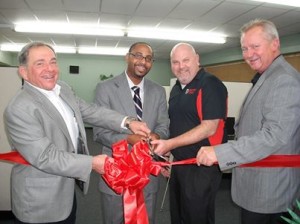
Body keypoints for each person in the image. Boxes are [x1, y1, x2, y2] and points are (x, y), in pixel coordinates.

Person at [4, 41, 150, 224]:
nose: (49, 69)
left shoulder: (62, 88)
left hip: (66, 188)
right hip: (40, 200)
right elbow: (46, 156)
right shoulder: (20, 108)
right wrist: (92, 163)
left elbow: (90, 111)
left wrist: (127, 122)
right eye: (40, 63)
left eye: (53, 61)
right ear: (23, 72)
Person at [196, 19, 300, 224]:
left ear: (275, 44)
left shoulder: (283, 80)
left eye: (255, 46)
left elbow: (274, 136)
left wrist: (221, 151)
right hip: (258, 186)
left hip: (270, 192)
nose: (249, 54)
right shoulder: (267, 76)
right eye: (245, 48)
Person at [93, 42, 170, 224]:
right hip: (117, 175)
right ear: (127, 57)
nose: (143, 61)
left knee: (145, 220)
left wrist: (156, 136)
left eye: (148, 58)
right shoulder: (105, 88)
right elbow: (99, 132)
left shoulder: (158, 91)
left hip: (147, 175)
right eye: (138, 55)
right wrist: (128, 138)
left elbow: (164, 124)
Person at [152, 42, 228, 224]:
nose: (181, 66)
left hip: (201, 167)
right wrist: (170, 155)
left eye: (186, 60)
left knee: (197, 218)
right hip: (179, 165)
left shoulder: (210, 84)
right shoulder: (177, 89)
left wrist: (170, 144)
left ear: (197, 59)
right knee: (178, 216)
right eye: (175, 62)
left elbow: (210, 127)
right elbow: (179, 124)